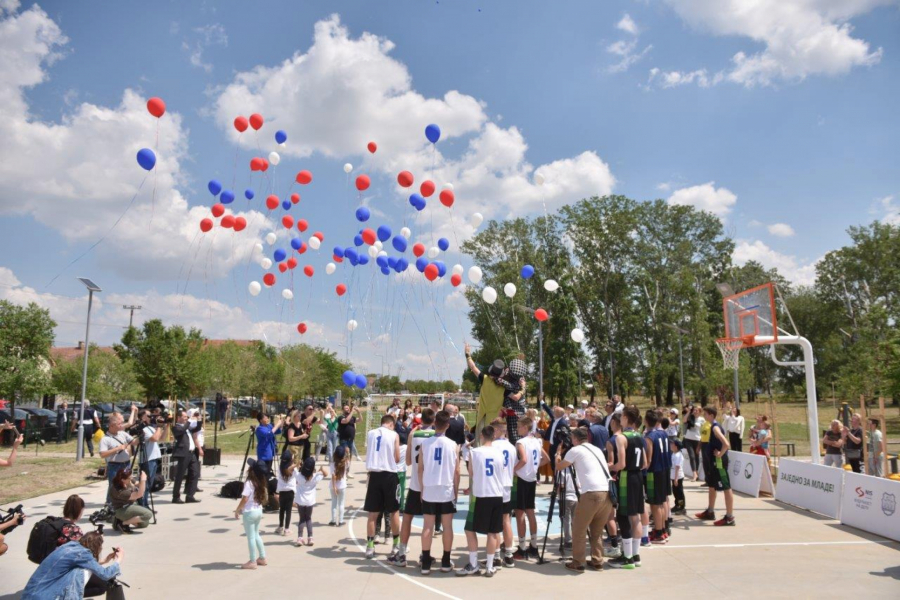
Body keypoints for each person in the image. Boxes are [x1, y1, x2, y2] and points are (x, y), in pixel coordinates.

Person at [555, 427, 614, 573]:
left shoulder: (575, 450)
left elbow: (559, 467)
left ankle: (578, 562)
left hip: (591, 493)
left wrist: (558, 453)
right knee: (597, 530)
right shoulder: (597, 449)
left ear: (575, 439)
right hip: (606, 492)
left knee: (579, 529)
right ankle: (597, 560)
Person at [389, 408, 436, 568]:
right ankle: (425, 554)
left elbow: (408, 461)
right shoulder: (436, 436)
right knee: (429, 523)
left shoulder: (414, 435)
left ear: (420, 420)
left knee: (408, 518)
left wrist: (411, 436)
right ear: (434, 421)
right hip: (430, 485)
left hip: (416, 484)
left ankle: (401, 553)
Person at [456, 426, 505, 577]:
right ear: (494, 436)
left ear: (482, 435)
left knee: (470, 529)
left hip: (481, 495)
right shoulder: (499, 453)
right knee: (492, 532)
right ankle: (490, 566)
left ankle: (473, 563)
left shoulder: (475, 452)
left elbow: (471, 473)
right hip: (497, 494)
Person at [21, 532, 122, 600]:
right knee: (82, 571)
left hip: (30, 594)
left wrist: (104, 560)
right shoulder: (84, 554)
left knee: (83, 568)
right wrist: (119, 559)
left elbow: (82, 561)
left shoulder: (70, 546)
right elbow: (105, 574)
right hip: (45, 596)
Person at [418, 410, 459, 575]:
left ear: (435, 423)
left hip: (429, 488)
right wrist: (455, 491)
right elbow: (457, 471)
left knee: (428, 526)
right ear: (447, 425)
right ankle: (446, 560)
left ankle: (426, 561)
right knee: (447, 526)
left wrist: (422, 489)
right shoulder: (453, 445)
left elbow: (420, 469)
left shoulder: (425, 444)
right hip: (446, 489)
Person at [607, 405, 647, 570]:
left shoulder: (621, 438)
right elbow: (644, 463)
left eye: (622, 416)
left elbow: (621, 464)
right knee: (636, 515)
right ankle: (635, 555)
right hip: (638, 476)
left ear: (625, 418)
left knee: (623, 516)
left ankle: (627, 557)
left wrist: (610, 467)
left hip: (626, 478)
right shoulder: (639, 436)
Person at [364, 414, 402, 559]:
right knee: (394, 511)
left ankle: (370, 546)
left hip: (374, 474)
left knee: (373, 514)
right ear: (391, 424)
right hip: (389, 475)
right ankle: (396, 544)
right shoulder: (394, 435)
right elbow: (397, 458)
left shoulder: (370, 433)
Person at [512, 416, 548, 561]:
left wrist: (513, 470)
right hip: (532, 478)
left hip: (522, 479)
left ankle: (522, 548)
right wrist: (533, 467)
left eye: (519, 426)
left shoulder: (521, 442)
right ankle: (534, 546)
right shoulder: (537, 441)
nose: (517, 429)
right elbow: (546, 459)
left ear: (526, 427)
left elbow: (524, 459)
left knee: (520, 513)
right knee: (530, 511)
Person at [695, 406, 735, 526]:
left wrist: (719, 454)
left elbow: (726, 443)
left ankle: (729, 517)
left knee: (726, 487)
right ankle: (710, 511)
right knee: (712, 485)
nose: (704, 416)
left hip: (719, 463)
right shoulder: (713, 426)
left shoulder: (715, 428)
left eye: (706, 414)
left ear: (711, 415)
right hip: (713, 462)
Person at [491, 418, 517, 568]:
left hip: (495, 486)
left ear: (498, 430)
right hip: (506, 485)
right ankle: (508, 554)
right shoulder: (511, 446)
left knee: (494, 522)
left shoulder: (493, 445)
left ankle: (495, 556)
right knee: (506, 520)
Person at [234, 459, 269, 569]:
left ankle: (253, 561)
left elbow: (245, 498)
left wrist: (238, 509)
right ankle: (262, 557)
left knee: (251, 537)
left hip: (249, 512)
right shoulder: (261, 481)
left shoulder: (249, 483)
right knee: (256, 534)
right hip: (258, 510)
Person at [98, 413, 138, 503]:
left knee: (127, 485)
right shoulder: (105, 439)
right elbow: (102, 454)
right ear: (112, 426)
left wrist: (142, 434)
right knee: (114, 487)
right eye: (119, 424)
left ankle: (126, 503)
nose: (121, 425)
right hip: (114, 466)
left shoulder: (122, 434)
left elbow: (134, 442)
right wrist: (117, 449)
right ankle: (109, 506)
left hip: (126, 464)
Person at [644, 410, 671, 544]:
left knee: (655, 503)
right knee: (662, 500)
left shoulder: (650, 437)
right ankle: (663, 529)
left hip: (654, 471)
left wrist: (643, 469)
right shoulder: (664, 433)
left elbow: (648, 459)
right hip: (665, 469)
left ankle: (659, 532)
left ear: (646, 421)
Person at [135, 409, 166, 508]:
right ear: (143, 417)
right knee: (146, 484)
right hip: (147, 459)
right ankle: (143, 504)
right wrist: (159, 426)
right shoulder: (144, 429)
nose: (152, 417)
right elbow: (154, 439)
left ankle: (145, 503)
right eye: (149, 415)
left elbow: (161, 439)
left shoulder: (150, 428)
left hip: (153, 458)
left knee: (149, 483)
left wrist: (166, 425)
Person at [294, 456, 328, 547]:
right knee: (308, 519)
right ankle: (310, 537)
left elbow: (292, 469)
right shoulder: (315, 477)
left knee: (301, 519)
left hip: (300, 501)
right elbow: (326, 474)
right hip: (310, 502)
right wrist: (321, 469)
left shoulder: (299, 476)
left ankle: (300, 538)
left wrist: (297, 463)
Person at [109, 467, 153, 533]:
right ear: (123, 480)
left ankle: (119, 520)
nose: (131, 479)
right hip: (121, 509)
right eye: (129, 478)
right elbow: (139, 494)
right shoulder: (118, 490)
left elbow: (137, 484)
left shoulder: (127, 479)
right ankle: (123, 523)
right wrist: (143, 480)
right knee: (148, 514)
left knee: (144, 524)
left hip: (130, 504)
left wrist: (141, 479)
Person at [172, 409, 201, 504]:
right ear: (178, 418)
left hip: (191, 453)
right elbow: (181, 431)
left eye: (186, 417)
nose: (186, 418)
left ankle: (190, 495)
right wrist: (189, 421)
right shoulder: (176, 427)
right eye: (184, 417)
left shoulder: (187, 427)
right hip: (183, 454)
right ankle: (176, 497)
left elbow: (196, 429)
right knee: (180, 476)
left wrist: (198, 419)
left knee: (195, 473)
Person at [275, 450, 296, 536]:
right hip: (290, 491)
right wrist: (295, 462)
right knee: (289, 510)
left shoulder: (280, 468)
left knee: (282, 510)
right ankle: (287, 529)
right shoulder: (293, 469)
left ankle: (280, 526)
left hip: (282, 491)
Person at [338, 403, 361, 478]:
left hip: (350, 440)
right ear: (343, 410)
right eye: (345, 408)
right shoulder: (341, 417)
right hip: (344, 439)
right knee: (345, 455)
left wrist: (358, 412)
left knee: (349, 457)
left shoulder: (352, 417)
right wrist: (352, 412)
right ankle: (342, 472)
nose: (347, 409)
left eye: (348, 408)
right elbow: (346, 421)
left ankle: (347, 472)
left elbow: (360, 420)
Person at [683, 405, 703, 481]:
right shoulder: (690, 417)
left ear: (700, 412)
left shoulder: (702, 419)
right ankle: (694, 473)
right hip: (688, 439)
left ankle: (696, 472)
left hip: (697, 439)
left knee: (696, 457)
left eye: (696, 410)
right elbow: (684, 420)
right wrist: (688, 412)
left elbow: (700, 427)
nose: (695, 411)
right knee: (691, 456)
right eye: (694, 410)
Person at [330, 446, 349, 526]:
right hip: (342, 486)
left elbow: (333, 476)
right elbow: (348, 459)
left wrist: (334, 487)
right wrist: (348, 453)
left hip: (333, 485)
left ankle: (333, 520)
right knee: (341, 503)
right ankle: (341, 521)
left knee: (334, 503)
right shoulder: (346, 463)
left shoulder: (332, 464)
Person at [670, 439, 686, 515]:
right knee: (675, 492)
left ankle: (681, 507)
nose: (671, 445)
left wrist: (676, 478)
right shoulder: (673, 454)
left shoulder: (678, 455)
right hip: (673, 477)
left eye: (672, 444)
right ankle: (677, 504)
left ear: (676, 447)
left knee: (679, 492)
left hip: (678, 477)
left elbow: (677, 467)